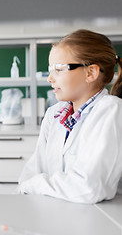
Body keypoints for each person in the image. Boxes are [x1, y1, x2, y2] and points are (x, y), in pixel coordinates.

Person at [17, 29, 122, 204]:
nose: (50, 78)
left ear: (91, 73)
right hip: (54, 214)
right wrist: (28, 187)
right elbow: (31, 173)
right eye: (50, 70)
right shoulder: (54, 115)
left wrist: (34, 185)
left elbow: (88, 187)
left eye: (58, 69)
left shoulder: (111, 110)